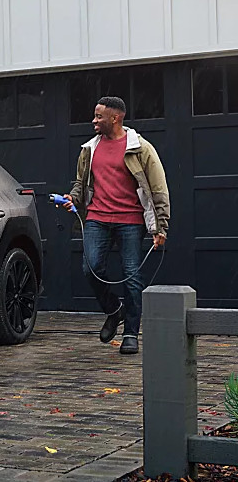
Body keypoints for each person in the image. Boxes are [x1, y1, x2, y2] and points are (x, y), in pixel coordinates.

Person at [60, 96, 169, 355]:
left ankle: (131, 333)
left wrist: (160, 227)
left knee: (132, 275)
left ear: (115, 118)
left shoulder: (140, 149)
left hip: (130, 220)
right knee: (91, 268)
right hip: (97, 217)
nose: (94, 121)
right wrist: (72, 198)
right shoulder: (89, 149)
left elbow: (158, 188)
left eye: (99, 117)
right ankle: (114, 309)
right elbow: (80, 183)